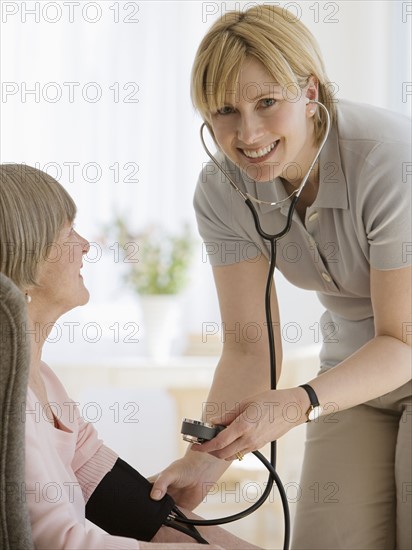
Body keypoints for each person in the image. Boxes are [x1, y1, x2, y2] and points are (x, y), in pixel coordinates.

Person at [150, 6, 412, 549]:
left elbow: (402, 338)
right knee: (328, 538)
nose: (248, 133)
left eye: (266, 102)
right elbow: (250, 348)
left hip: (395, 350)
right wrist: (204, 461)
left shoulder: (389, 159)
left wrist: (298, 401)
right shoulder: (223, 188)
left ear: (310, 92)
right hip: (351, 375)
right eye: (224, 111)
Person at [0, 163, 261, 550]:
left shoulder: (43, 380)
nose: (86, 244)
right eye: (68, 231)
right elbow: (58, 542)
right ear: (28, 255)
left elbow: (110, 490)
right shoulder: (11, 399)